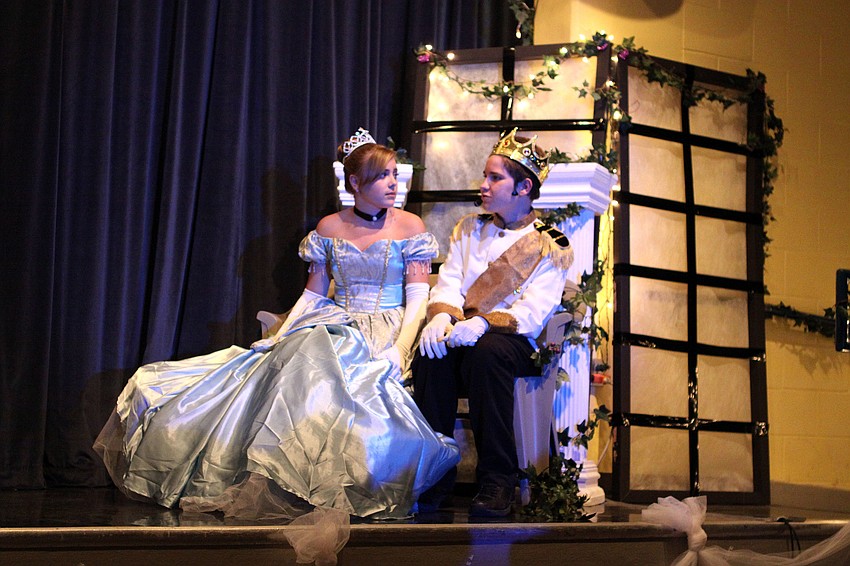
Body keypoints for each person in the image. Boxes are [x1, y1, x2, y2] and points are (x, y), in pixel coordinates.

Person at [94, 128, 460, 521]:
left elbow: (418, 296)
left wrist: (399, 348)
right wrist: (280, 334)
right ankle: (286, 480)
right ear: (355, 182)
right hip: (337, 322)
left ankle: (348, 483)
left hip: (390, 328)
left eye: (394, 174)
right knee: (298, 365)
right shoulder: (328, 229)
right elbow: (315, 295)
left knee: (344, 378)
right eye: (383, 176)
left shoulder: (409, 227)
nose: (393, 184)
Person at [412, 128, 573, 517]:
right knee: (431, 356)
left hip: (511, 340)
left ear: (523, 187)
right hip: (462, 331)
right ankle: (434, 479)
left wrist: (484, 323)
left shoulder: (550, 243)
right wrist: (440, 318)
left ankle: (497, 480)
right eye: (486, 176)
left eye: (494, 177)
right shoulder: (469, 229)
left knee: (487, 354)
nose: (483, 185)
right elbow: (450, 281)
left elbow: (534, 312)